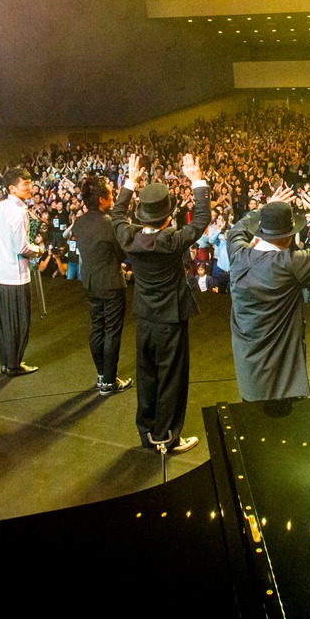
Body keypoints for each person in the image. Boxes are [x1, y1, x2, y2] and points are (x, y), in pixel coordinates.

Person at [111, 153, 209, 453]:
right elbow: (202, 219)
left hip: (144, 319)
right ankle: (167, 437)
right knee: (171, 379)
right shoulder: (172, 240)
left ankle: (147, 433)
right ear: (168, 217)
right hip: (171, 320)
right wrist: (197, 181)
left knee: (147, 376)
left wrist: (130, 182)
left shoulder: (129, 238)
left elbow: (116, 215)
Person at [226, 186, 310, 401]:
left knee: (254, 414)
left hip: (248, 362)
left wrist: (263, 210)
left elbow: (235, 231)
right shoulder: (290, 263)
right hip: (282, 365)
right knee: (286, 418)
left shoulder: (237, 254)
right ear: (289, 237)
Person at [72, 174, 133, 396]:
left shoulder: (79, 222)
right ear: (101, 199)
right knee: (112, 332)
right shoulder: (110, 224)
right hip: (111, 283)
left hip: (89, 281)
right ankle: (109, 381)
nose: (112, 196)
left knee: (96, 327)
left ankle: (101, 375)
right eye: (109, 194)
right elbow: (121, 253)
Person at [0, 167, 42, 376]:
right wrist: (38, 250)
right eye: (24, 184)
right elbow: (22, 248)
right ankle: (14, 364)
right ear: (12, 188)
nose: (29, 187)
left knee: (3, 323)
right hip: (15, 277)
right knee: (19, 323)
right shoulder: (19, 212)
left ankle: (6, 362)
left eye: (30, 183)